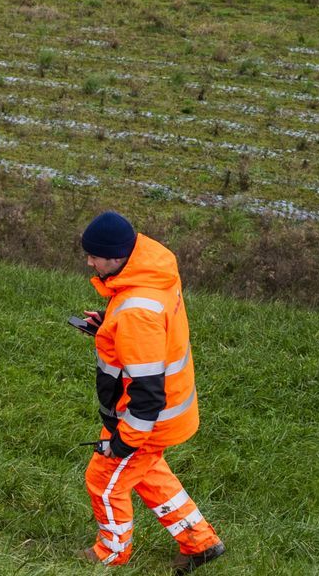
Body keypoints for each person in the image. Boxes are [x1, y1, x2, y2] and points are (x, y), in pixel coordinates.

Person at [76, 210, 225, 572]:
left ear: (116, 257)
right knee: (146, 472)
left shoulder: (135, 312)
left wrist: (125, 440)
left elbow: (147, 392)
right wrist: (108, 326)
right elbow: (148, 343)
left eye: (94, 256)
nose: (89, 261)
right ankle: (199, 541)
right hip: (170, 413)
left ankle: (110, 554)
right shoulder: (151, 273)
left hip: (146, 419)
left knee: (104, 480)